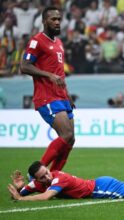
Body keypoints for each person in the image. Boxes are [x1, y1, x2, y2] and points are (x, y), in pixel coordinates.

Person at [20, 7, 75, 172]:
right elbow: (24, 66)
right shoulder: (37, 41)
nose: (57, 22)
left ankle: (52, 178)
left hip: (61, 97)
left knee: (70, 140)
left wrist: (68, 95)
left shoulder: (58, 43)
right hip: (47, 97)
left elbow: (59, 73)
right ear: (44, 21)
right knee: (66, 135)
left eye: (59, 19)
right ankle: (37, 175)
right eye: (53, 19)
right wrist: (48, 75)